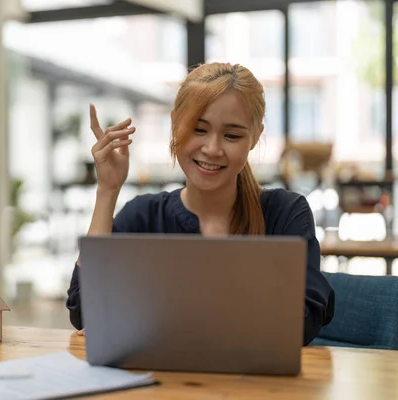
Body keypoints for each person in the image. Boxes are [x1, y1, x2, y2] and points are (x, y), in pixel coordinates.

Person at [65, 62, 335, 345]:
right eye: (198, 129)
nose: (212, 149)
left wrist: (158, 324)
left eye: (232, 135)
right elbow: (86, 313)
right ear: (174, 124)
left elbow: (303, 319)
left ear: (255, 138)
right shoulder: (143, 216)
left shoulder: (285, 213)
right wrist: (107, 190)